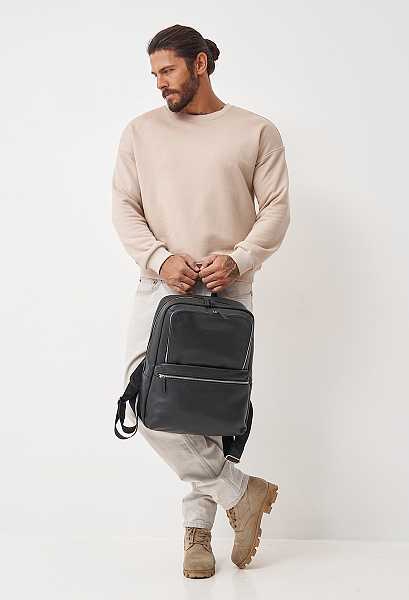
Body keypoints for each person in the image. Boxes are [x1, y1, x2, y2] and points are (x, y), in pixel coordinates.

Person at [111, 23, 290, 578]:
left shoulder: (255, 131)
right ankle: (241, 493)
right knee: (149, 404)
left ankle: (198, 535)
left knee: (207, 413)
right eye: (154, 74)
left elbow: (276, 210)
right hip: (161, 285)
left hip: (227, 289)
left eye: (167, 70)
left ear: (201, 65)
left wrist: (239, 258)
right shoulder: (141, 132)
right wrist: (159, 258)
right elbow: (125, 208)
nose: (160, 83)